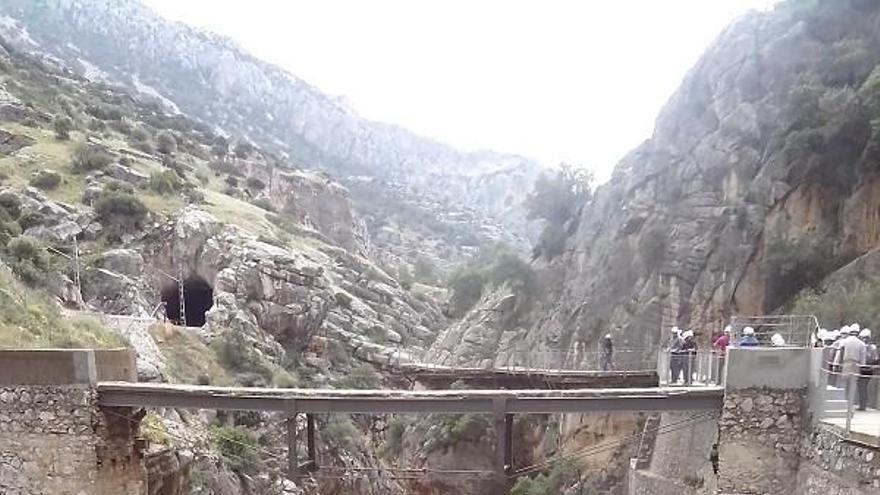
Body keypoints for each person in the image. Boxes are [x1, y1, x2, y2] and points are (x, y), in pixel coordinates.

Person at [835, 326, 867, 405]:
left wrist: (835, 365)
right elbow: (863, 359)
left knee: (843, 385)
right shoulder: (861, 344)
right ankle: (850, 406)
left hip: (845, 364)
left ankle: (841, 404)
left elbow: (838, 354)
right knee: (852, 388)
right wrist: (862, 367)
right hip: (856, 365)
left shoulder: (844, 342)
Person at [858, 329, 879, 411]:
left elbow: (875, 359)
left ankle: (863, 404)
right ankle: (862, 404)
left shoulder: (872, 348)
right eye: (863, 338)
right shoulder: (862, 346)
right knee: (861, 387)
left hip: (868, 370)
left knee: (863, 387)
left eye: (866, 338)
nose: (864, 339)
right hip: (862, 369)